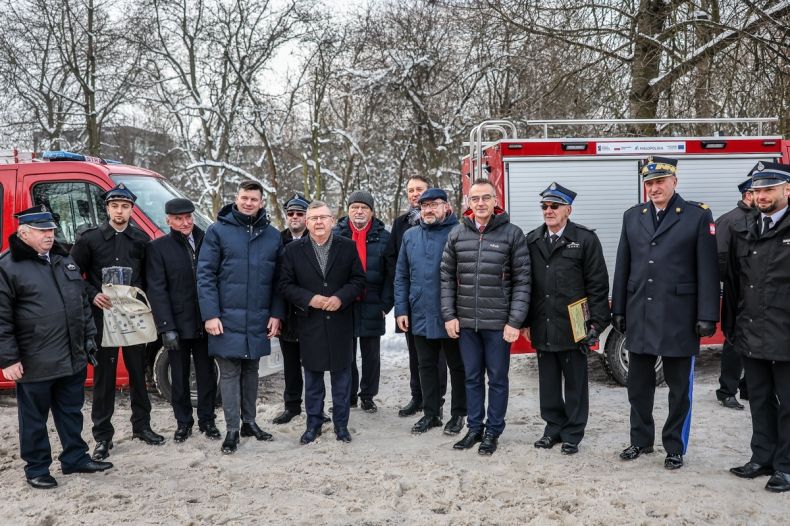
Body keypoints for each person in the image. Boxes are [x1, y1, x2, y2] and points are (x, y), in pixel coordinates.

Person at [611, 156, 719, 470]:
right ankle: (640, 441)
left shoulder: (697, 216)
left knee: (679, 388)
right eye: (649, 183)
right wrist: (619, 308)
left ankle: (674, 446)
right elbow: (623, 266)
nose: (654, 188)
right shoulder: (633, 216)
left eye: (660, 181)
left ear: (674, 181)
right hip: (640, 313)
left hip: (679, 315)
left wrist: (707, 314)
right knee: (638, 385)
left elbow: (708, 269)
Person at [0, 206, 113, 489]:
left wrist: (88, 339)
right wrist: (8, 358)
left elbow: (80, 305)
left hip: (71, 354)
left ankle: (75, 457)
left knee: (71, 410)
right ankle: (37, 468)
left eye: (51, 230)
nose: (49, 235)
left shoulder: (65, 260)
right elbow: (1, 318)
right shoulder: (8, 266)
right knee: (34, 417)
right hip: (35, 358)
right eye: (42, 231)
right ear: (23, 233)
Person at [70, 184, 164, 461]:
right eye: (114, 206)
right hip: (103, 317)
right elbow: (74, 275)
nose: (119, 211)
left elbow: (150, 276)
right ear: (107, 208)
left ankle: (142, 426)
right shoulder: (90, 240)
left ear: (132, 209)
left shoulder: (141, 239)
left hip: (133, 317)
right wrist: (92, 294)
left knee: (138, 373)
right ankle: (102, 435)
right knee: (104, 379)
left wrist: (144, 302)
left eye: (124, 206)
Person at [440, 178, 531, 455]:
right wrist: (449, 315)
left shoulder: (512, 234)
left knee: (498, 379)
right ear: (468, 202)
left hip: (498, 324)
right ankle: (475, 428)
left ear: (495, 201)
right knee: (471, 378)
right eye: (475, 198)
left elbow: (523, 280)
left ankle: (493, 431)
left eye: (486, 198)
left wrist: (515, 321)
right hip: (466, 322)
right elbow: (446, 277)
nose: (480, 203)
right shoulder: (457, 234)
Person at [197, 180, 284, 454]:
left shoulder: (272, 235)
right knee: (230, 372)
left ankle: (250, 422)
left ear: (261, 202)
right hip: (225, 318)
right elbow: (205, 275)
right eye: (244, 198)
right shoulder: (217, 232)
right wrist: (210, 315)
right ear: (237, 198)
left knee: (252, 371)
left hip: (258, 318)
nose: (248, 203)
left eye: (254, 199)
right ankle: (232, 428)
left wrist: (276, 314)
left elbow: (279, 280)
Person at [523, 183, 610, 455]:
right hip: (543, 322)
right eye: (545, 207)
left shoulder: (584, 239)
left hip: (574, 323)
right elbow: (524, 284)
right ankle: (553, 429)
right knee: (548, 383)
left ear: (567, 209)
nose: (548, 211)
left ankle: (572, 433)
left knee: (575, 383)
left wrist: (596, 323)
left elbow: (597, 284)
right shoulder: (533, 240)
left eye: (554, 206)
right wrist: (525, 321)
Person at [279, 201, 366, 445]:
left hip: (340, 322)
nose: (318, 222)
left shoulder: (347, 247)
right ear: (307, 223)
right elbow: (285, 285)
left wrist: (341, 297)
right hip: (310, 323)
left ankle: (341, 425)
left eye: (323, 217)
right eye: (314, 218)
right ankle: (313, 425)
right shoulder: (293, 251)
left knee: (342, 379)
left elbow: (359, 280)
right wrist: (310, 299)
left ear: (332, 220)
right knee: (313, 380)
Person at [727, 162, 790, 493]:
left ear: (787, 191)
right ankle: (762, 457)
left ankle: (786, 466)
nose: (762, 196)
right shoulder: (747, 228)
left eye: (769, 189)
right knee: (760, 400)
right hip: (752, 332)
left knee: (789, 406)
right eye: (758, 190)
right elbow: (738, 284)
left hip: (786, 334)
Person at [146, 198, 220, 442]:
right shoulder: (158, 248)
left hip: (206, 321)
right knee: (178, 376)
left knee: (207, 374)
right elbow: (157, 290)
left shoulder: (208, 240)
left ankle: (207, 421)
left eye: (188, 217)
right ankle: (183, 423)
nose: (185, 222)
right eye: (178, 218)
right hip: (177, 324)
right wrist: (166, 327)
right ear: (168, 220)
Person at [395, 188, 467, 436]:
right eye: (424, 205)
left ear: (446, 207)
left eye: (434, 204)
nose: (429, 209)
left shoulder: (459, 233)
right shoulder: (410, 236)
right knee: (425, 365)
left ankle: (458, 414)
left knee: (458, 366)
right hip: (420, 311)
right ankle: (431, 413)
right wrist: (402, 309)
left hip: (452, 313)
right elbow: (401, 275)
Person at [385, 175, 447, 417]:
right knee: (416, 353)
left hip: (438, 300)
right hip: (412, 298)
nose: (415, 194)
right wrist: (401, 298)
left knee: (438, 354)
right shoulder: (401, 223)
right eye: (411, 190)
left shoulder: (445, 224)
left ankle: (436, 400)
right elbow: (394, 260)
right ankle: (417, 396)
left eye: (419, 189)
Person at [334, 190, 394, 413]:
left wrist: (385, 305)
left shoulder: (384, 237)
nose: (359, 211)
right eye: (354, 207)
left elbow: (391, 274)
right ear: (348, 210)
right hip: (344, 303)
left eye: (364, 208)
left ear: (371, 211)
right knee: (345, 354)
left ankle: (368, 396)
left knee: (371, 356)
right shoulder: (336, 234)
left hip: (373, 302)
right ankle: (348, 396)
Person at [273, 193, 326, 425]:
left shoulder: (317, 239)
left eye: (300, 213)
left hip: (312, 311)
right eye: (291, 213)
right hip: (287, 310)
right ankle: (292, 406)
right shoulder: (277, 240)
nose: (295, 217)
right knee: (290, 365)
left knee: (315, 364)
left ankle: (317, 408)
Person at [715, 178, 756, 410]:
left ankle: (748, 387)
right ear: (747, 195)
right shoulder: (730, 220)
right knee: (734, 341)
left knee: (755, 340)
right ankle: (726, 391)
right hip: (737, 290)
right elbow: (720, 257)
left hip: (758, 292)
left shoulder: (761, 219)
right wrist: (730, 283)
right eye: (756, 191)